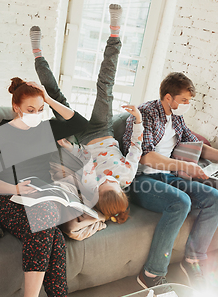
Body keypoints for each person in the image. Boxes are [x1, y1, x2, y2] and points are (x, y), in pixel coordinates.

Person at [0, 77, 89, 297]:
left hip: (42, 197)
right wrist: (15, 188)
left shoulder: (45, 129)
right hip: (9, 197)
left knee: (51, 232)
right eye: (30, 110)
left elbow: (80, 123)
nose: (36, 115)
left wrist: (47, 98)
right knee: (51, 232)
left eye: (40, 110)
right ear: (16, 107)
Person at [122, 72, 218, 290]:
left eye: (190, 101)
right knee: (181, 203)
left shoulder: (176, 117)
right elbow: (145, 156)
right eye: (184, 100)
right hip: (140, 180)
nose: (188, 105)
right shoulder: (144, 115)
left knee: (215, 199)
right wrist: (184, 167)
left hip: (167, 176)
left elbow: (196, 144)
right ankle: (152, 273)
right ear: (169, 97)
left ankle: (193, 260)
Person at [30, 4, 143, 224]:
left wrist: (69, 147)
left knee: (54, 99)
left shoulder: (92, 189)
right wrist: (138, 120)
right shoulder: (127, 176)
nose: (104, 181)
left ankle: (37, 55)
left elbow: (86, 160)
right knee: (105, 85)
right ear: (122, 190)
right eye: (109, 183)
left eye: (101, 187)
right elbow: (136, 147)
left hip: (81, 138)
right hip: (104, 129)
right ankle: (115, 32)